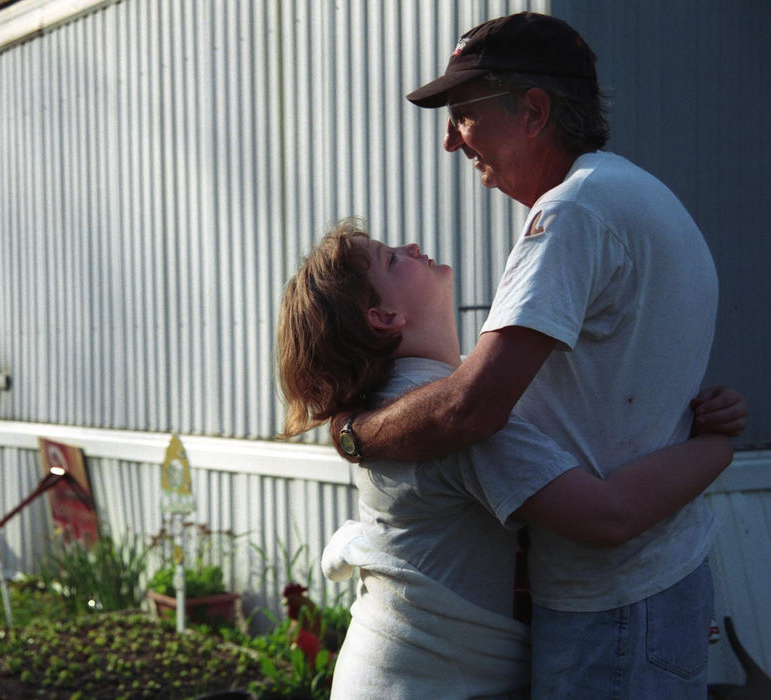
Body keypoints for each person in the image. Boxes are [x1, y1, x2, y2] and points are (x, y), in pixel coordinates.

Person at [329, 12, 747, 698]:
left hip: (611, 606)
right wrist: (713, 444)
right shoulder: (624, 194)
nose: (448, 139)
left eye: (463, 114)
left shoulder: (572, 213)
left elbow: (471, 408)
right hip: (647, 585)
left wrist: (355, 434)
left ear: (531, 111)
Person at [277, 221, 739, 699]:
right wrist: (715, 445)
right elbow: (608, 515)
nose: (411, 247)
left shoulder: (410, 402)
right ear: (384, 315)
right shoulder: (452, 420)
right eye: (391, 259)